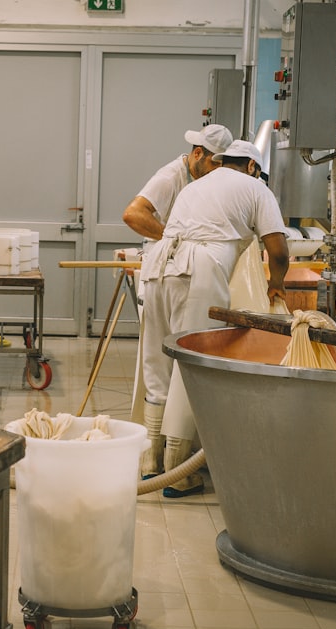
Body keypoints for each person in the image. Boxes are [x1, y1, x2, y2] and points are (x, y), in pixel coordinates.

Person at [140, 140, 289, 497]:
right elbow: (278, 250)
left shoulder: (197, 185)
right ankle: (178, 472)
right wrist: (277, 285)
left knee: (157, 364)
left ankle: (151, 462)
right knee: (191, 364)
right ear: (252, 167)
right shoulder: (256, 188)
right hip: (200, 270)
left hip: (158, 266)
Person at [122, 124, 234, 482]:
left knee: (162, 369)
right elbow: (133, 214)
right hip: (168, 275)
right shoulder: (172, 175)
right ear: (198, 155)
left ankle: (160, 464)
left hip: (173, 274)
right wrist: (174, 237)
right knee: (167, 367)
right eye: (216, 165)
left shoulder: (204, 181)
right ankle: (166, 466)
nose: (219, 175)